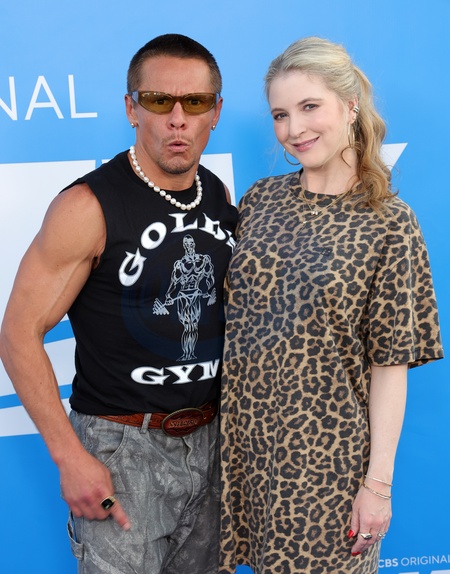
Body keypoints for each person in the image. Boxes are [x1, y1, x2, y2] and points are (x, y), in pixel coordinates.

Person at [0, 33, 238, 574]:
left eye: (195, 102)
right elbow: (17, 333)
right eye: (158, 100)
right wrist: (70, 457)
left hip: (213, 440)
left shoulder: (218, 195)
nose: (177, 119)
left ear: (216, 112)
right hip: (124, 449)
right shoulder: (87, 207)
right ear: (132, 108)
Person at [219, 36, 443, 574]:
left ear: (350, 106)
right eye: (280, 115)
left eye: (309, 107)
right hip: (244, 452)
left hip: (327, 467)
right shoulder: (260, 199)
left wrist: (378, 485)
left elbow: (391, 365)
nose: (293, 129)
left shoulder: (390, 222)